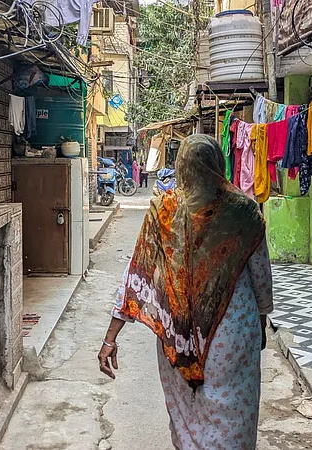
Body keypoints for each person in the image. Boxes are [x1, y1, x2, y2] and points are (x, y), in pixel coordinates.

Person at [97, 135, 273, 450]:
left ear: (181, 167)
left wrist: (110, 338)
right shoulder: (244, 211)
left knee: (186, 415)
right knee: (235, 412)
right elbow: (261, 277)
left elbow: (136, 274)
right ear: (218, 165)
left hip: (177, 334)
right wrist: (260, 322)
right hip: (233, 333)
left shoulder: (164, 211)